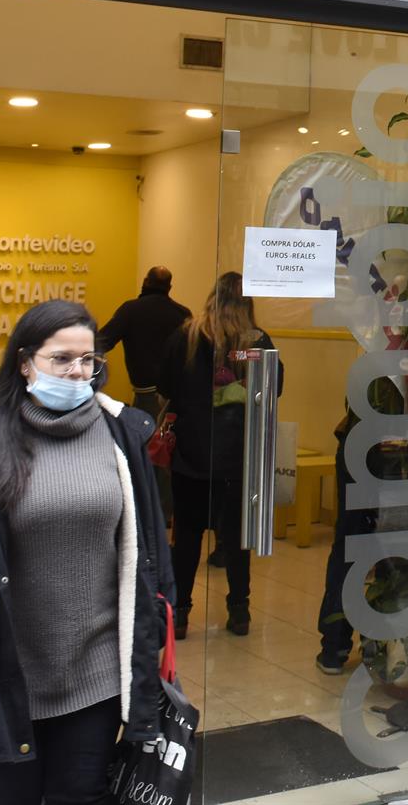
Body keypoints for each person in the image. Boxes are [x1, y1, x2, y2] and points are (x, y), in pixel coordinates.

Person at [0, 299, 174, 804]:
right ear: (25, 363)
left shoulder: (121, 434)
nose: (78, 371)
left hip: (97, 675)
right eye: (61, 359)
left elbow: (149, 543)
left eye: (88, 360)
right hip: (7, 673)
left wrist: (155, 626)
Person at [159, 271, 279, 638]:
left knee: (187, 538)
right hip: (237, 457)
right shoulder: (254, 341)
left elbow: (165, 384)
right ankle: (239, 611)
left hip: (191, 454)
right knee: (237, 539)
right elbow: (274, 386)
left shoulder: (187, 335)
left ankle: (180, 614)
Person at [95, 265, 192, 520]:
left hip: (146, 393)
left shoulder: (131, 310)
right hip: (177, 395)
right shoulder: (182, 313)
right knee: (168, 452)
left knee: (145, 451)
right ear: (169, 287)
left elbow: (102, 342)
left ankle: (148, 511)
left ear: (145, 282)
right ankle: (167, 510)